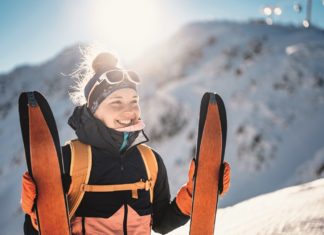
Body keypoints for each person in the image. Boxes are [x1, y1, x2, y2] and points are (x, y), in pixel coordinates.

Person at [21, 52, 231, 235]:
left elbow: (161, 223)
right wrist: (36, 217)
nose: (129, 111)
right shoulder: (68, 160)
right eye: (116, 102)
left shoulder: (150, 161)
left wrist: (193, 195)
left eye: (134, 101)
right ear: (93, 110)